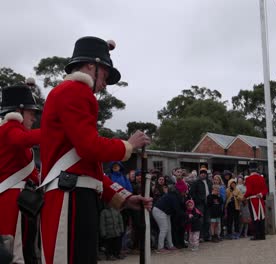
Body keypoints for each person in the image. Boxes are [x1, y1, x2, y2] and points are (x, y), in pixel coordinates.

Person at [39, 36, 152, 264]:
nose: (105, 83)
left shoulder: (72, 93)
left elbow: (87, 168)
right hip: (70, 196)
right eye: (105, 74)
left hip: (76, 193)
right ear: (92, 65)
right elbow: (89, 147)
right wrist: (128, 145)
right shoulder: (76, 91)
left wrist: (124, 198)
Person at [0, 84, 41, 263]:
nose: (34, 117)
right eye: (31, 112)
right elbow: (22, 140)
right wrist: (56, 130)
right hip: (13, 198)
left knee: (23, 248)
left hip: (21, 198)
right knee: (16, 253)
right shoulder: (10, 127)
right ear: (19, 111)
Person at [151, 186, 183, 253]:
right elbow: (177, 209)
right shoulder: (174, 197)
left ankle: (170, 245)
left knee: (168, 229)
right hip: (160, 211)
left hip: (164, 212)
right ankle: (160, 248)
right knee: (164, 229)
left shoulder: (171, 195)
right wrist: (185, 215)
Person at [243, 162, 268, 240]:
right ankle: (262, 235)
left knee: (255, 217)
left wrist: (244, 196)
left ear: (250, 170)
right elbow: (265, 190)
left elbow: (249, 191)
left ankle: (256, 235)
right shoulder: (261, 178)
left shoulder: (248, 179)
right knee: (261, 217)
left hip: (253, 200)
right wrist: (260, 194)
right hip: (260, 199)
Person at [189, 166, 212, 241]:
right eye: (201, 173)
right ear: (199, 174)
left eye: (204, 173)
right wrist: (197, 200)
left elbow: (211, 191)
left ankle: (206, 236)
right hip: (199, 204)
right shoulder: (196, 182)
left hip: (208, 203)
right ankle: (200, 236)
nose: (203, 175)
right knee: (200, 220)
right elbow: (192, 193)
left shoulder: (209, 182)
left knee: (208, 221)